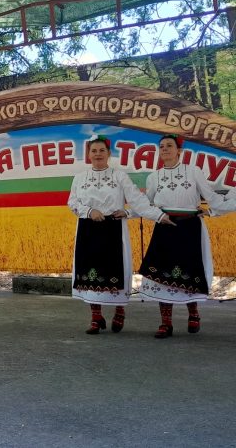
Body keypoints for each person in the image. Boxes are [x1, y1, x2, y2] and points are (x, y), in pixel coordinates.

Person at [68, 134, 173, 334]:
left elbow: (138, 200)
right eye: (94, 151)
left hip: (113, 228)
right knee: (90, 272)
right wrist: (90, 212)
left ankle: (119, 311)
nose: (98, 154)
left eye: (102, 151)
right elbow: (72, 202)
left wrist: (158, 216)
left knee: (116, 270)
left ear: (109, 154)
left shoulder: (119, 176)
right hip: (88, 230)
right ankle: (96, 317)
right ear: (88, 155)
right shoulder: (79, 178)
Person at [139, 134, 228, 338]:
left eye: (169, 146)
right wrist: (128, 213)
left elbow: (211, 197)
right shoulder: (154, 177)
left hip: (189, 227)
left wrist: (212, 211)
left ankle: (193, 313)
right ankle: (166, 322)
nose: (165, 149)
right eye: (161, 147)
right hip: (164, 227)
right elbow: (145, 203)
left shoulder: (193, 171)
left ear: (179, 150)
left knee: (190, 269)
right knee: (162, 273)